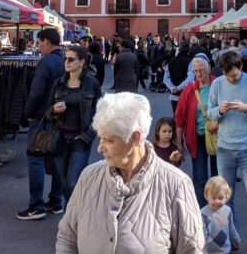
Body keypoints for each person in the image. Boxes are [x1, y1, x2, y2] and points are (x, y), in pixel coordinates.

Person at [55, 93, 204, 253]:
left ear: (135, 138)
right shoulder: (89, 177)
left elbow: (191, 248)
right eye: (100, 138)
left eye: (109, 140)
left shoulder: (177, 184)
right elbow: (67, 238)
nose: (100, 148)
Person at [207, 49, 247, 254]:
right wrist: (221, 111)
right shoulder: (217, 84)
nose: (230, 79)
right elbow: (210, 112)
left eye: (233, 75)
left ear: (240, 67)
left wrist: (246, 108)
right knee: (225, 200)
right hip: (225, 149)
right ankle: (229, 241)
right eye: (227, 76)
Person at [18, 27, 65, 220]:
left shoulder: (46, 63)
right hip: (59, 118)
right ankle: (55, 202)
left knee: (35, 159)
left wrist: (28, 113)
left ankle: (36, 206)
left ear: (46, 42)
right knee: (55, 159)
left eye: (39, 43)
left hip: (42, 117)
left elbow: (36, 91)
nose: (38, 47)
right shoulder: (65, 61)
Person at [48, 45, 103, 208]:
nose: (66, 62)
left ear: (81, 62)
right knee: (65, 182)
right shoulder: (59, 83)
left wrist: (87, 137)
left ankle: (74, 219)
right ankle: (71, 218)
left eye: (71, 59)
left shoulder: (92, 84)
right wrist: (53, 109)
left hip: (80, 140)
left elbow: (100, 112)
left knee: (73, 182)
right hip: (60, 139)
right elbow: (48, 110)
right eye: (65, 58)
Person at [175, 55, 219, 208]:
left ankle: (216, 210)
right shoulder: (190, 89)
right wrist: (179, 143)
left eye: (201, 70)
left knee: (217, 177)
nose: (199, 74)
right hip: (197, 137)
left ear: (209, 69)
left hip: (216, 137)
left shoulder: (218, 84)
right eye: (196, 71)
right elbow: (179, 118)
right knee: (200, 178)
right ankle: (201, 213)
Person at [201, 175, 241, 254]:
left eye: (220, 198)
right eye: (214, 198)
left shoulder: (227, 211)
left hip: (224, 250)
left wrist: (236, 239)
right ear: (206, 196)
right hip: (208, 251)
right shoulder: (203, 213)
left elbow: (231, 227)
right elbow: (202, 235)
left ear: (227, 197)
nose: (217, 201)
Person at [164, 44, 194, 113]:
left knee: (175, 116)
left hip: (173, 95)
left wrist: (172, 88)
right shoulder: (189, 61)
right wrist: (179, 88)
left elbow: (166, 78)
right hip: (186, 94)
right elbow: (190, 79)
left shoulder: (171, 61)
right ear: (188, 51)